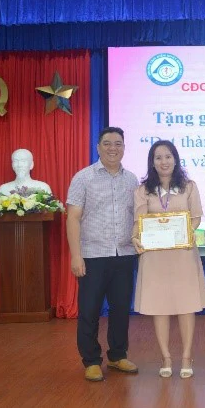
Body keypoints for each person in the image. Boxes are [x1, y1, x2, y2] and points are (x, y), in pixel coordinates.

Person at [66, 127, 139, 382]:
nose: (112, 148)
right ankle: (91, 360)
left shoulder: (132, 180)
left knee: (121, 309)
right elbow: (73, 218)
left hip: (124, 254)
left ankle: (118, 355)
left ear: (124, 148)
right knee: (89, 310)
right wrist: (76, 256)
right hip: (92, 255)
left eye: (118, 143)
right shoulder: (83, 178)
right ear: (98, 147)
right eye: (107, 143)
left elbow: (138, 218)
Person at [131, 140, 205, 379]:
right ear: (152, 162)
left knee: (186, 306)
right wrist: (135, 238)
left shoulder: (189, 187)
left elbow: (196, 218)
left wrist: (184, 233)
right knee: (160, 307)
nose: (163, 161)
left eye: (168, 156)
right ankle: (165, 357)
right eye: (158, 157)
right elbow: (139, 222)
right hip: (155, 257)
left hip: (182, 254)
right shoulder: (143, 190)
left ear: (175, 159)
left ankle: (186, 357)